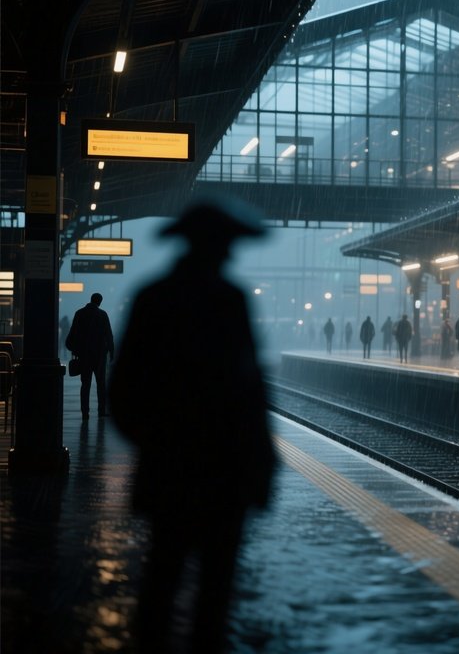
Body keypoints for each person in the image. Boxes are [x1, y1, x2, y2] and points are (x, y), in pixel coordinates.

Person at [109, 200, 275, 654]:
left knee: (162, 576)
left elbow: (123, 387)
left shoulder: (153, 297)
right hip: (226, 472)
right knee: (215, 590)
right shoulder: (230, 300)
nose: (228, 255)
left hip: (169, 471)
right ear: (217, 248)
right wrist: (260, 463)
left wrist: (157, 443)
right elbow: (251, 391)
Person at [66, 293, 114, 420]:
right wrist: (111, 352)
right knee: (101, 383)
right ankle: (101, 410)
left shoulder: (79, 313)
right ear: (99, 302)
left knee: (85, 384)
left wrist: (74, 349)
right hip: (99, 356)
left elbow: (72, 334)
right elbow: (109, 334)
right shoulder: (103, 315)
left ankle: (85, 412)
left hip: (84, 355)